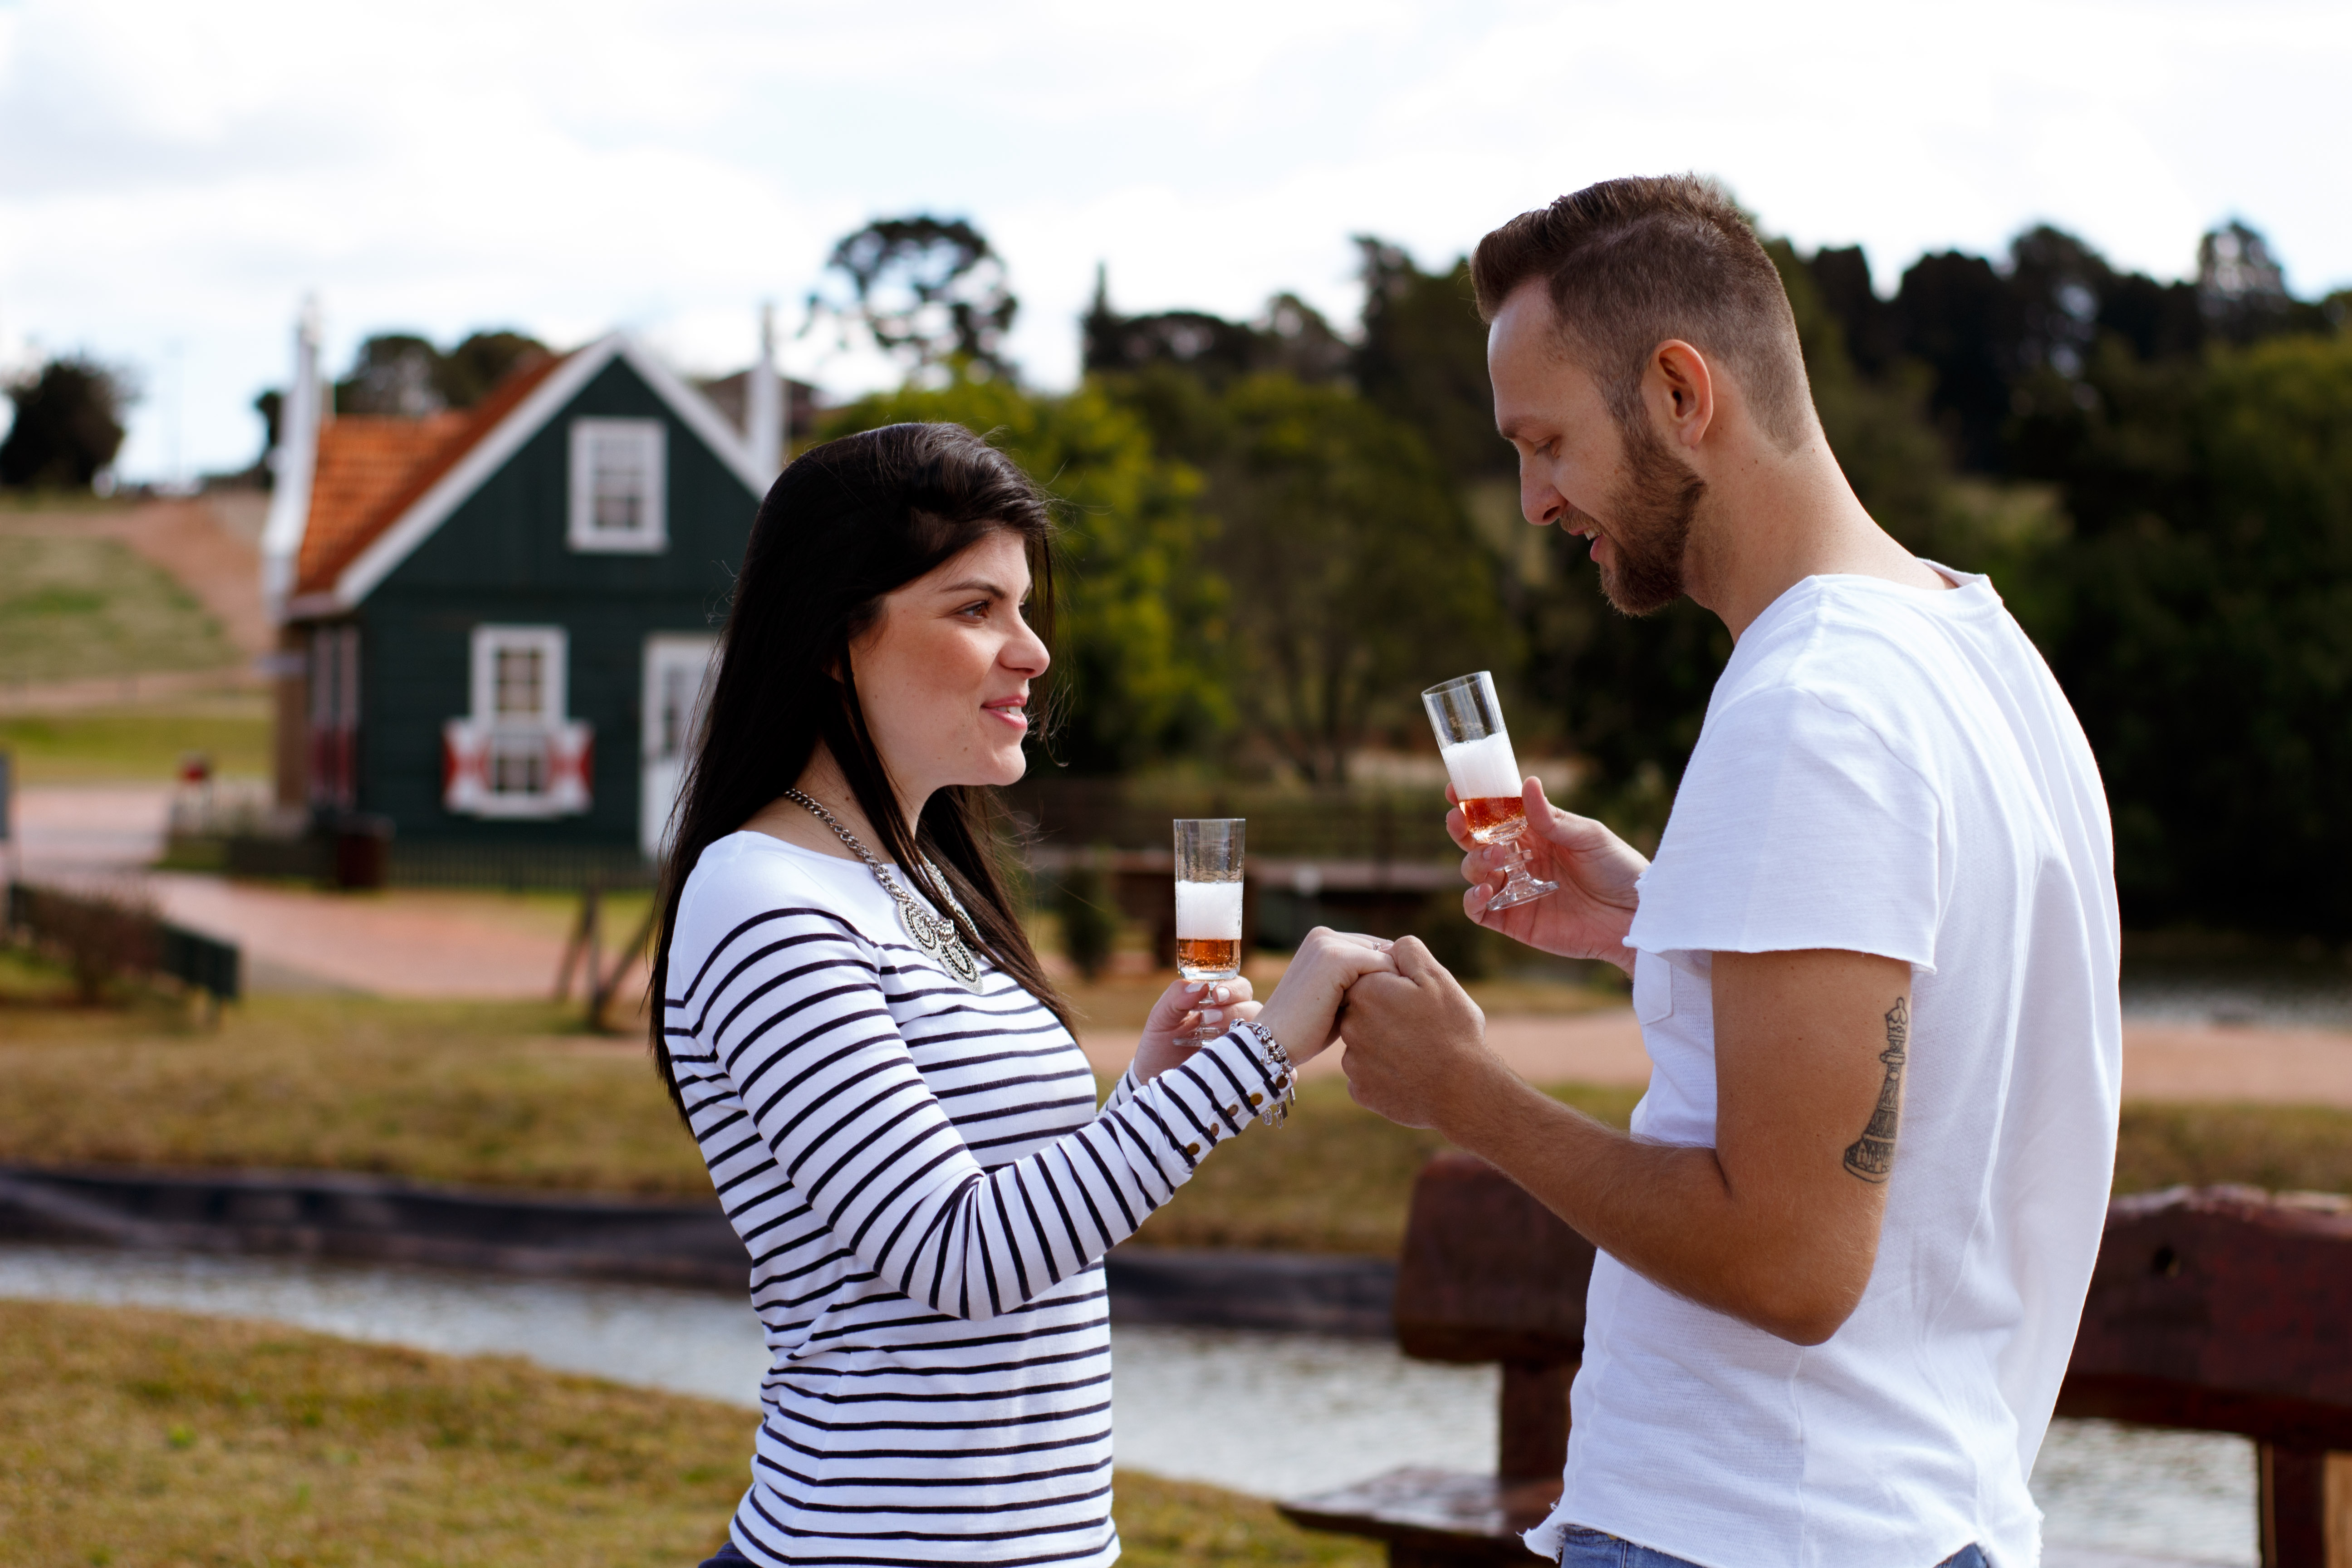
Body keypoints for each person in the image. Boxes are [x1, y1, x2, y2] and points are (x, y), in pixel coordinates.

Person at [1334, 176, 2120, 1568]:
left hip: (1759, 1524)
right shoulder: (1979, 652)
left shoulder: (1812, 709)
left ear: (1683, 392)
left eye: (1548, 442)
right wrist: (1665, 916)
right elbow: (1939, 1016)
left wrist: (1466, 1093)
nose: (1531, 501)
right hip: (1924, 1509)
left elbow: (1791, 1264)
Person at [647, 422, 1392, 1568]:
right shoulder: (762, 899)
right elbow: (955, 1253)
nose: (1033, 652)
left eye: (1024, 608)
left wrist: (1153, 1088)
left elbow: (1023, 1214)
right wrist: (1264, 1059)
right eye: (975, 608)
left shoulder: (920, 874)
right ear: (839, 637)